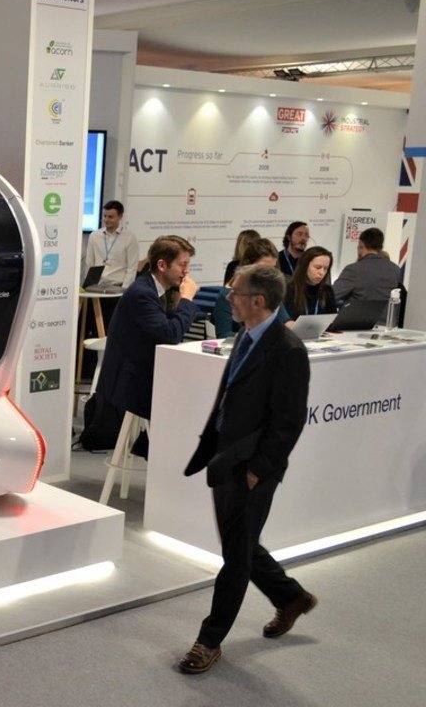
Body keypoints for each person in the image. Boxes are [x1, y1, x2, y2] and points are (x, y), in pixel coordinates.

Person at [177, 264, 316, 674]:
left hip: (252, 467)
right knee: (241, 544)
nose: (227, 297)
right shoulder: (246, 334)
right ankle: (290, 596)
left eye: (234, 291)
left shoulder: (288, 350)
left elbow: (288, 421)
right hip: (226, 458)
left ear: (258, 300)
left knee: (236, 556)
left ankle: (209, 641)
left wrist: (259, 470)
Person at [96, 235, 199, 422]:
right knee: (189, 407)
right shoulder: (142, 294)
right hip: (129, 385)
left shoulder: (155, 289)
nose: (187, 271)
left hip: (141, 374)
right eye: (182, 265)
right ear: (162, 265)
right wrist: (186, 300)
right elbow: (171, 334)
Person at [212, 238, 289, 337]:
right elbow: (223, 334)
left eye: (272, 269)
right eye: (262, 269)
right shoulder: (227, 295)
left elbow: (286, 321)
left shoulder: (270, 291)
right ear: (248, 265)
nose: (268, 275)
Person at [332, 227, 400, 305]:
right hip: (387, 317)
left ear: (361, 245)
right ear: (380, 247)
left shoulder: (353, 270)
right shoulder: (395, 269)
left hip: (357, 316)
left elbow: (331, 295)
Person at [84, 200, 140, 287]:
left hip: (118, 287)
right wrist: (89, 286)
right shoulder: (94, 236)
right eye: (105, 216)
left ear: (120, 216)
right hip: (97, 287)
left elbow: (132, 268)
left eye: (110, 217)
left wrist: (124, 289)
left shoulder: (130, 237)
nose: (106, 220)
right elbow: (89, 263)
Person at [283, 246, 337, 320]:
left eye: (325, 268)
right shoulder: (290, 290)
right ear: (305, 266)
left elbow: (333, 320)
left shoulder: (327, 291)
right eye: (318, 267)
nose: (322, 273)